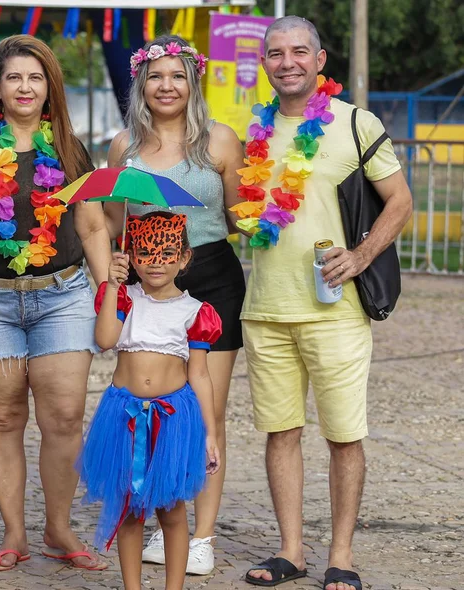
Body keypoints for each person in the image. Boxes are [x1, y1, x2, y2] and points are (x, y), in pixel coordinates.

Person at [235, 17, 412, 590]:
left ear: (320, 58)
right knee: (281, 433)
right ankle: (291, 551)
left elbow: (401, 201)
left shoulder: (355, 124)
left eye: (298, 52)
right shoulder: (254, 131)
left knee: (343, 436)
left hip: (335, 312)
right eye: (276, 53)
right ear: (264, 62)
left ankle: (342, 555)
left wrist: (360, 257)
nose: (286, 62)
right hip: (265, 308)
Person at [0, 34, 111, 573]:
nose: (25, 86)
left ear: (50, 89)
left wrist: (106, 287)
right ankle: (14, 532)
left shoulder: (69, 149)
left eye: (36, 77)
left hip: (63, 296)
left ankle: (58, 527)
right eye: (14, 77)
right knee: (2, 417)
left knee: (65, 415)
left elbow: (91, 223)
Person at [102, 34, 246, 575]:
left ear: (193, 83)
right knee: (149, 405)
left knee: (205, 402)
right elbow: (116, 224)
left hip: (212, 275)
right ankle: (153, 504)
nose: (167, 85)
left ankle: (201, 534)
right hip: (148, 279)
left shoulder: (222, 142)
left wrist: (261, 216)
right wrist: (112, 268)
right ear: (142, 83)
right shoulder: (125, 147)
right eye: (157, 76)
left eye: (177, 75)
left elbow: (239, 217)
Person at [80, 211, 221, 590]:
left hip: (173, 419)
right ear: (132, 255)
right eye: (145, 253)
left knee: (172, 509)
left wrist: (209, 434)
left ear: (183, 258)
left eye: (166, 253)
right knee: (129, 509)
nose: (156, 262)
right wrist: (111, 283)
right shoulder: (125, 298)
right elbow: (106, 340)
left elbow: (201, 374)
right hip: (123, 415)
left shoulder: (195, 312)